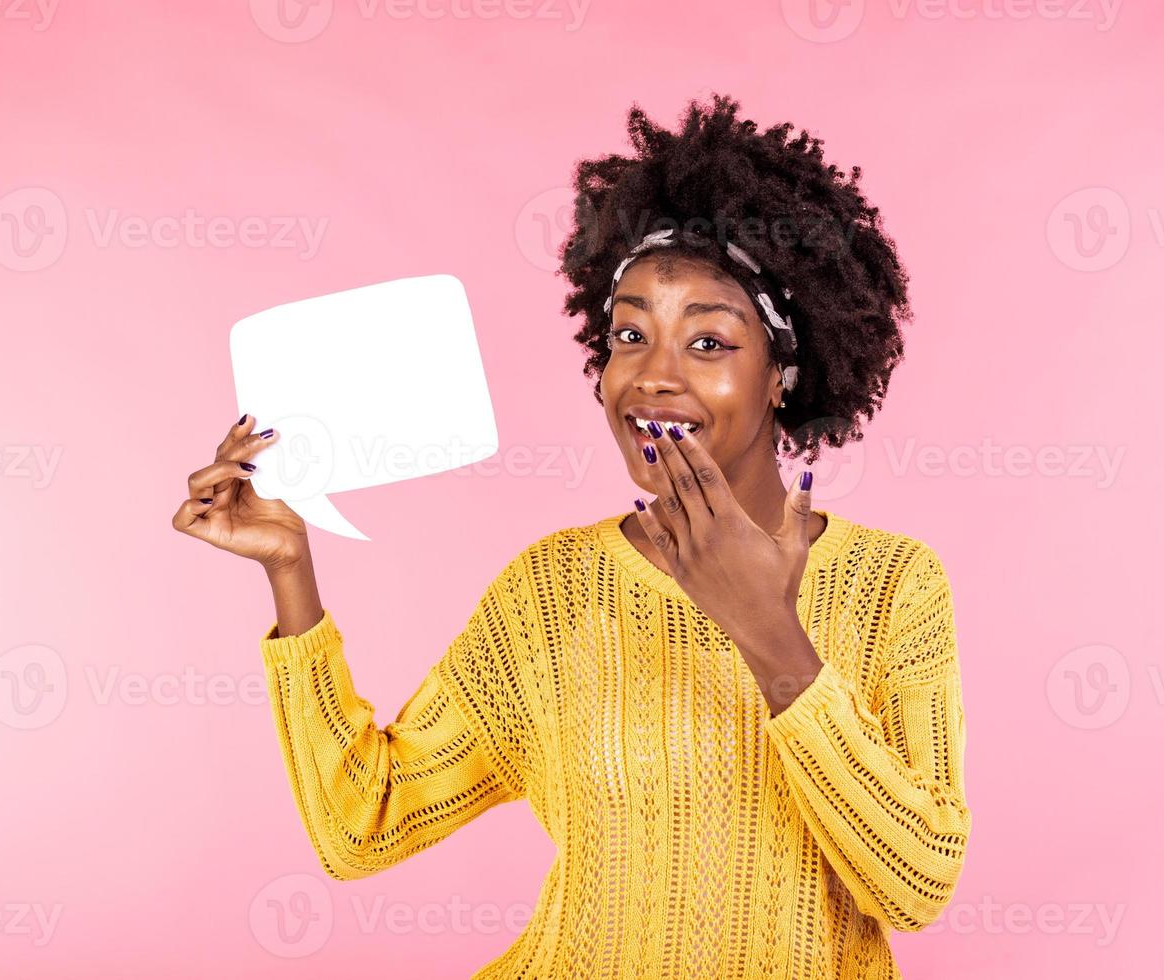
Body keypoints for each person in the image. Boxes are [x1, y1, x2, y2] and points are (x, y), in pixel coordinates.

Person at [173, 92, 970, 979]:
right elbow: (363, 823)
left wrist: (772, 636)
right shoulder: (554, 593)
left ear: (784, 372)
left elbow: (915, 884)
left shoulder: (892, 584)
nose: (654, 378)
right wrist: (292, 577)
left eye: (708, 343)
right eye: (630, 334)